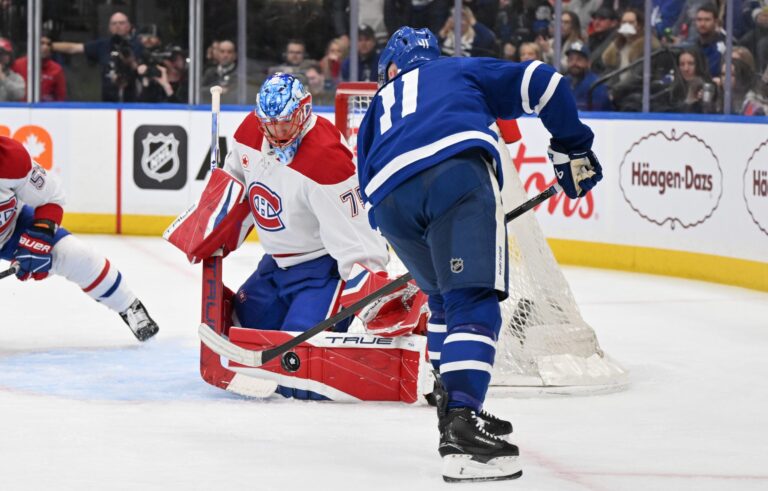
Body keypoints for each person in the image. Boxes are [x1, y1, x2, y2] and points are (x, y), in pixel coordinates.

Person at [356, 26, 601, 482]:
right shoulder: (457, 68)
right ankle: (462, 427)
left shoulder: (375, 107)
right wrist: (573, 147)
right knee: (473, 302)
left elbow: (363, 182)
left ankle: (450, 403)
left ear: (390, 69)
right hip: (454, 175)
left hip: (388, 204)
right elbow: (548, 84)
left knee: (444, 301)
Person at [219, 73, 402, 398]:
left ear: (303, 112)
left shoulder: (327, 159)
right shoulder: (250, 130)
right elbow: (234, 184)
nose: (276, 133)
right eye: (269, 124)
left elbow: (358, 234)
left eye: (285, 124)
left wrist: (373, 290)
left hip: (322, 273)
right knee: (236, 332)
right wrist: (212, 224)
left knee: (300, 371)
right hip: (275, 265)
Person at [0, 136, 159, 342]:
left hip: (12, 228)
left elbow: (51, 199)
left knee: (75, 255)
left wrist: (39, 239)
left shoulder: (10, 158)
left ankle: (128, 306)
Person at [52, 11, 144, 102]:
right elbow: (74, 48)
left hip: (133, 102)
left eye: (121, 23)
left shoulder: (138, 46)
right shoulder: (102, 45)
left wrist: (131, 62)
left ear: (129, 26)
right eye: (114, 23)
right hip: (108, 101)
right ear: (109, 28)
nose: (118, 26)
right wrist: (49, 46)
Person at [12, 33, 66, 102]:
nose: (45, 47)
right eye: (42, 43)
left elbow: (61, 99)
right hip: (19, 109)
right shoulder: (17, 65)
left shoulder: (57, 69)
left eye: (48, 44)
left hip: (46, 110)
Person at [564, 41, 611, 110]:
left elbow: (595, 115)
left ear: (588, 63)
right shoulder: (564, 82)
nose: (574, 63)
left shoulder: (596, 85)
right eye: (571, 59)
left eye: (579, 59)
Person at [201, 39, 238, 104]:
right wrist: (216, 90)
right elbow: (200, 91)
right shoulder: (210, 72)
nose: (225, 55)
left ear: (234, 55)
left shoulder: (239, 74)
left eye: (229, 52)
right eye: (222, 51)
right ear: (217, 54)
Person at [0, 37, 24, 101]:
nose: (1, 57)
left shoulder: (16, 78)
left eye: (4, 54)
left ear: (10, 57)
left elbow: (20, 95)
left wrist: (3, 78)